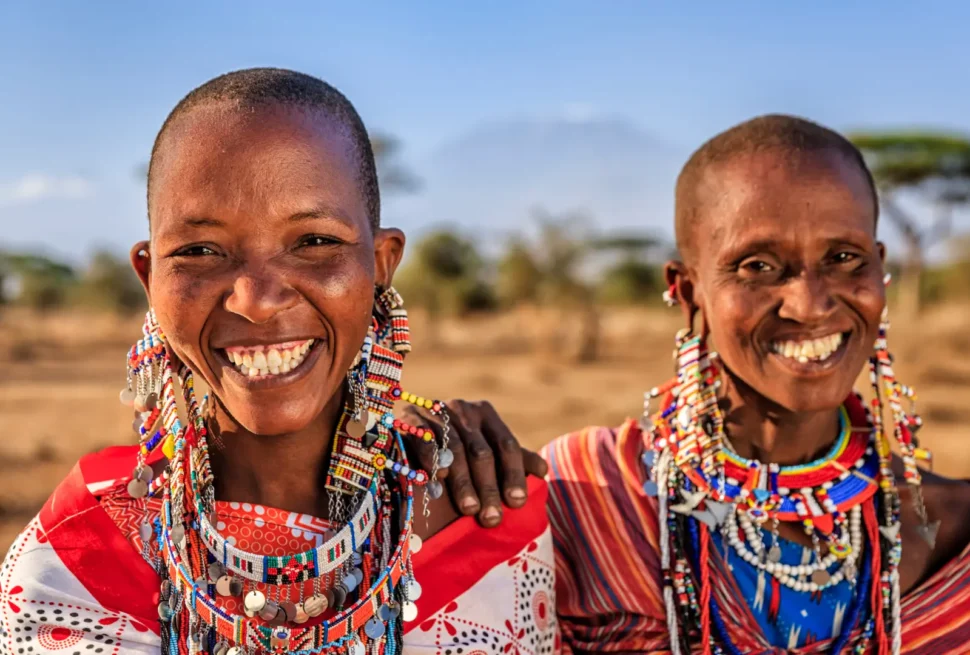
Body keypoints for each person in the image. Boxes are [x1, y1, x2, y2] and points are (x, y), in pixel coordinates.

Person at [0, 68, 557, 655]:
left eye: (314, 242)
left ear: (382, 261)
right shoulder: (75, 559)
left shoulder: (489, 520)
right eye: (199, 251)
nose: (257, 301)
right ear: (149, 277)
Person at [404, 115, 970, 654]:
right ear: (687, 288)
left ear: (879, 268)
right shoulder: (594, 495)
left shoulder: (952, 531)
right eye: (757, 266)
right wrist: (430, 457)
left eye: (844, 258)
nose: (809, 304)